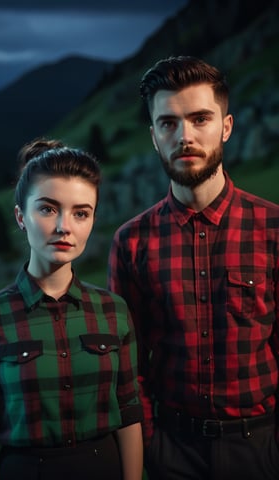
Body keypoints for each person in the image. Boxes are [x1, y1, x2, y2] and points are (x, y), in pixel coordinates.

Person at [107, 55, 279, 480]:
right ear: (153, 136)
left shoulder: (273, 229)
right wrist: (151, 445)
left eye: (200, 118)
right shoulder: (131, 243)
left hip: (262, 448)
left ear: (227, 126)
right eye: (168, 123)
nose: (184, 135)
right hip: (171, 451)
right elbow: (129, 366)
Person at [0, 138, 143, 480]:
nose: (64, 227)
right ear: (20, 216)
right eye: (47, 209)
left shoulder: (113, 310)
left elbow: (129, 412)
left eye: (81, 213)